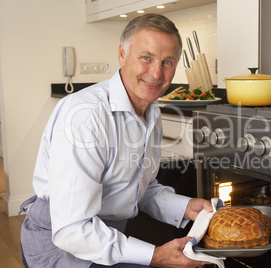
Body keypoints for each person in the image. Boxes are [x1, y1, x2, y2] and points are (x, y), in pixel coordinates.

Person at [20, 13, 212, 268]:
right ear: (122, 55)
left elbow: (137, 188)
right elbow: (71, 230)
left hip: (107, 237)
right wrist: (155, 256)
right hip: (59, 244)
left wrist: (186, 207)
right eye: (146, 58)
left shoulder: (150, 111)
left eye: (168, 62)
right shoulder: (86, 117)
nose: (156, 72)